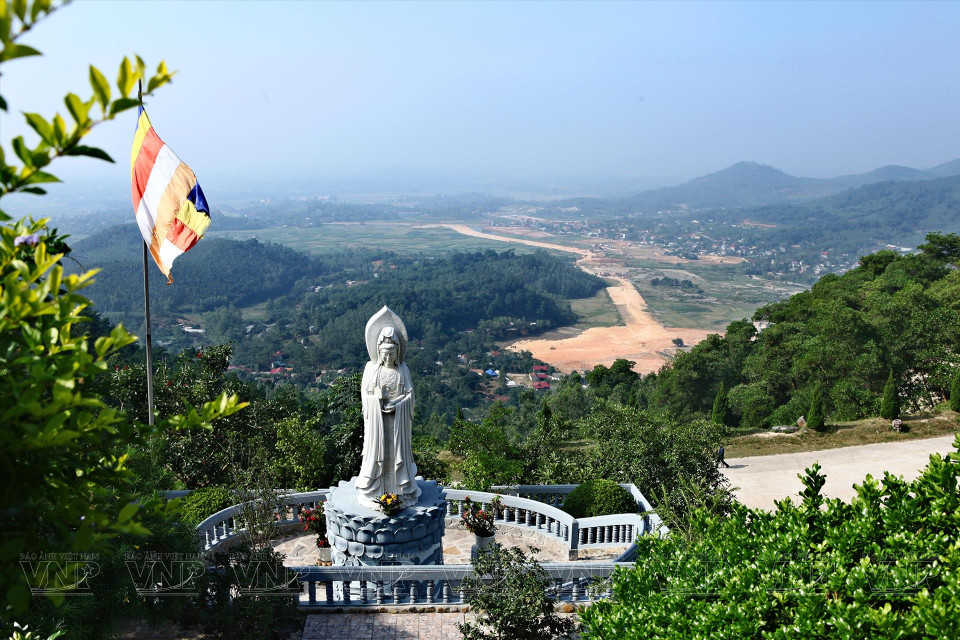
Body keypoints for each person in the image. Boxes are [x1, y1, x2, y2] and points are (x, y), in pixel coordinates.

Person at [356, 307, 421, 510]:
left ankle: (400, 490)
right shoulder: (371, 369)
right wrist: (377, 399)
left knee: (396, 455)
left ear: (397, 352)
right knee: (378, 455)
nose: (387, 357)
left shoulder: (403, 370)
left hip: (397, 422)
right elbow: (365, 395)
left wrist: (398, 404)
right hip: (378, 422)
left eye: (392, 353)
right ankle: (376, 490)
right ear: (378, 352)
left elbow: (410, 396)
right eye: (384, 353)